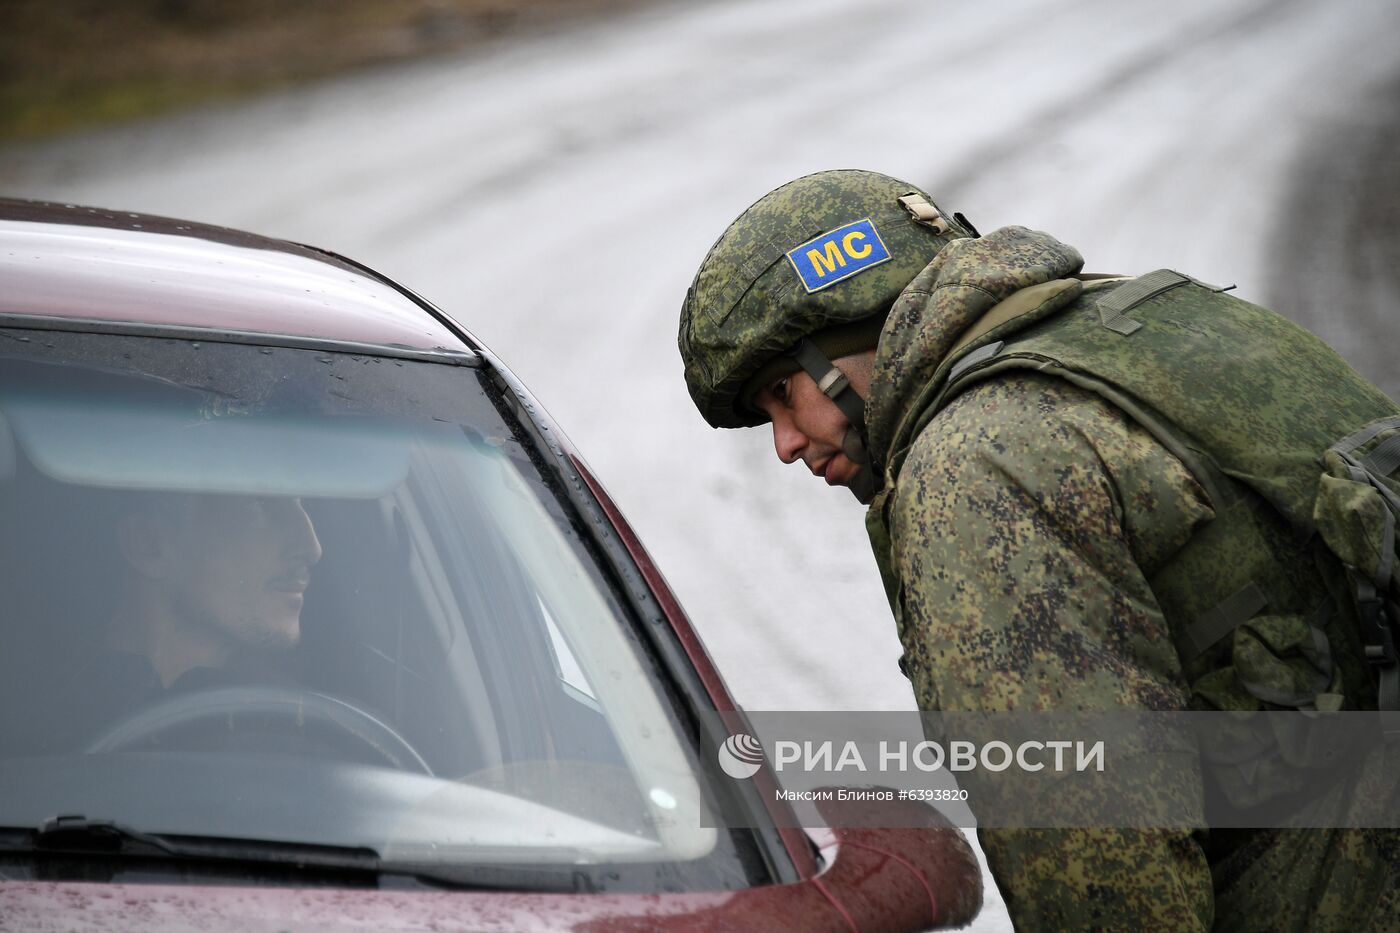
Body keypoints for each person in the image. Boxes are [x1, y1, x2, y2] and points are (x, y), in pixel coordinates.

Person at [677, 169, 1400, 930]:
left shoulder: (977, 465)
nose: (786, 446)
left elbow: (1096, 864)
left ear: (849, 334)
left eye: (784, 394)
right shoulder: (1165, 324)